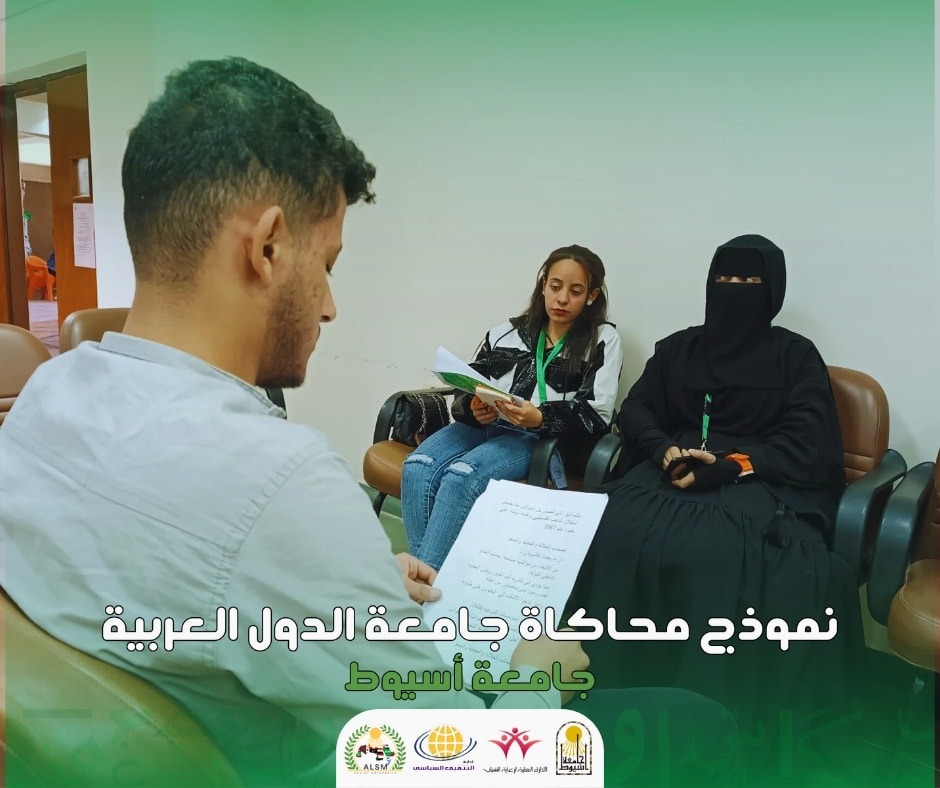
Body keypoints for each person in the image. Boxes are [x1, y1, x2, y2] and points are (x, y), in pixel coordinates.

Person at [0, 58, 738, 787]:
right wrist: (538, 684)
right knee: (700, 723)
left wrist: (342, 578)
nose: (329, 306)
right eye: (327, 264)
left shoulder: (46, 394)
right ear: (267, 247)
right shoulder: (281, 482)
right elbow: (455, 761)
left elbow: (148, 559)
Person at [568, 234, 864, 775]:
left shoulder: (795, 357)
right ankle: (597, 694)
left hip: (756, 481)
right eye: (725, 279)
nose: (734, 291)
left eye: (749, 282)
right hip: (669, 472)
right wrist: (663, 450)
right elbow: (638, 409)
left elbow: (807, 442)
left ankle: (721, 721)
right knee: (601, 530)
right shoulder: (679, 349)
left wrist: (732, 464)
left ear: (772, 291)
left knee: (724, 555)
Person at [402, 245, 623, 569]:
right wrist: (473, 406)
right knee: (417, 465)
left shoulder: (602, 339)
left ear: (591, 295)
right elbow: (467, 384)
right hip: (483, 424)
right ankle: (429, 579)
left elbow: (597, 414)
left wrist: (540, 418)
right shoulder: (505, 332)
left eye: (575, 291)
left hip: (535, 437)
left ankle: (424, 581)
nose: (562, 299)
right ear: (543, 285)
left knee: (461, 477)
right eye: (555, 286)